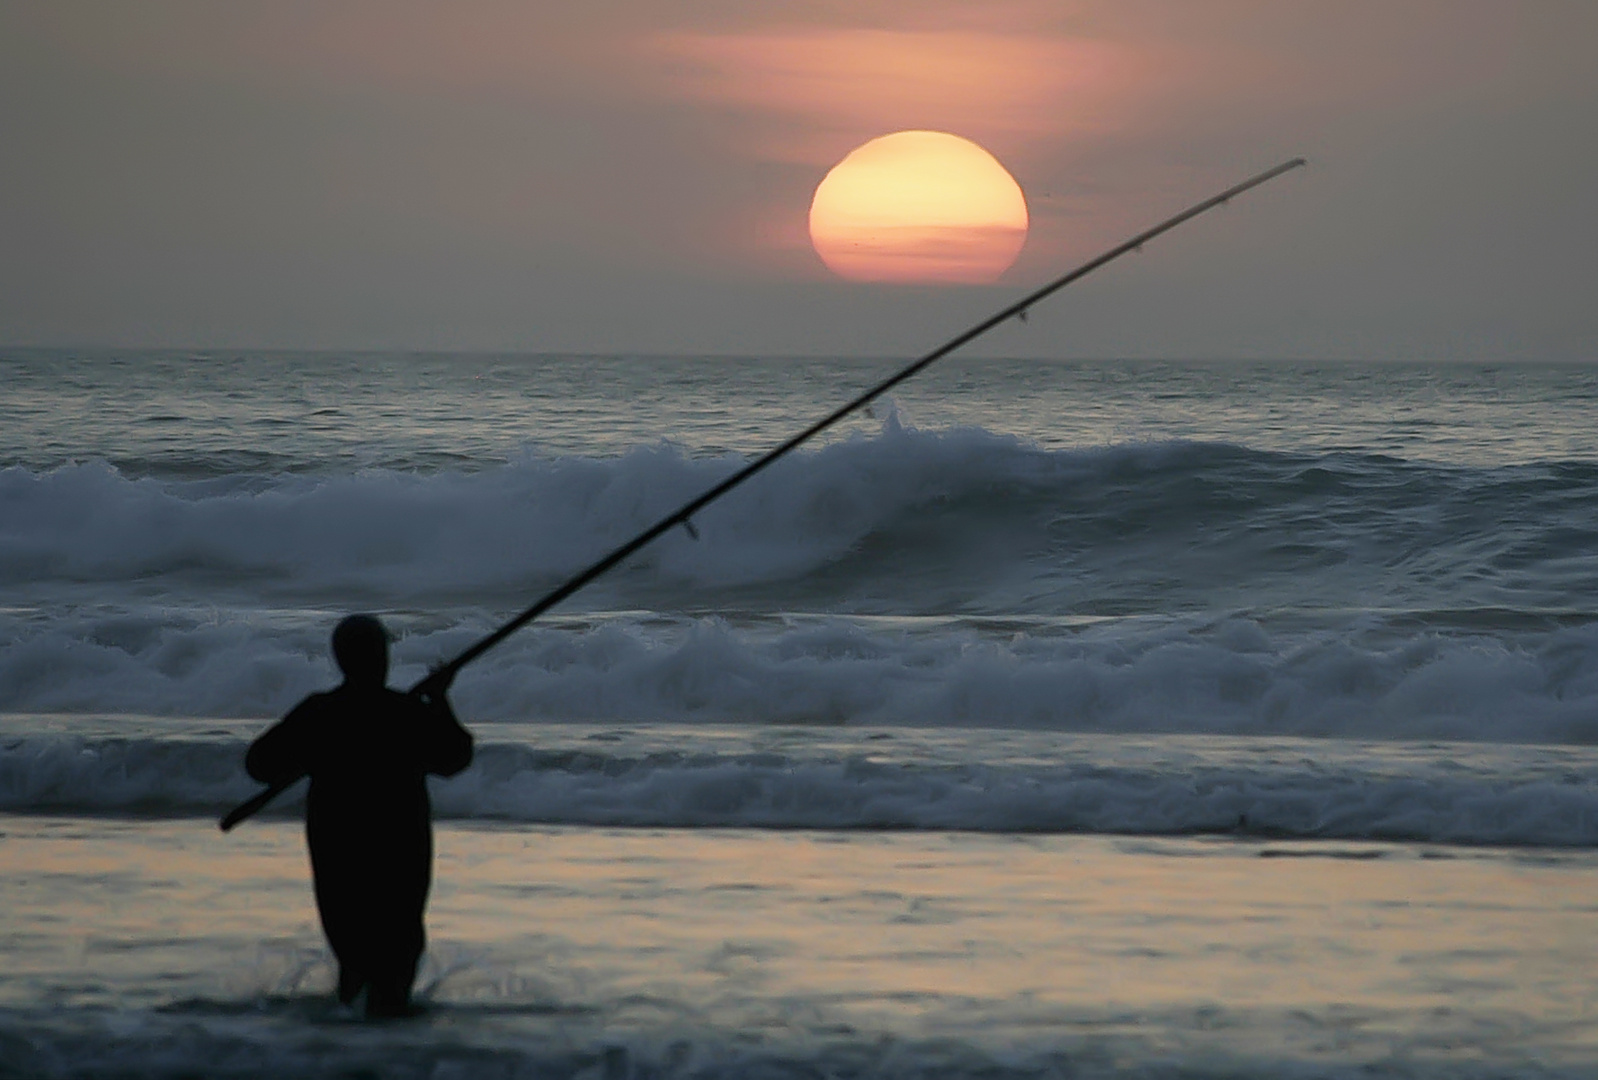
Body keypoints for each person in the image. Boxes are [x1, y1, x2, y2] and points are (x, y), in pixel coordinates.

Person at [245, 614, 473, 1017]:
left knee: (353, 948)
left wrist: (307, 752)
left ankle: (355, 1041)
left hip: (337, 846)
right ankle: (383, 1046)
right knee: (398, 949)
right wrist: (440, 701)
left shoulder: (321, 714)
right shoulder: (404, 714)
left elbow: (260, 764)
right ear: (381, 657)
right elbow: (455, 756)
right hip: (399, 847)